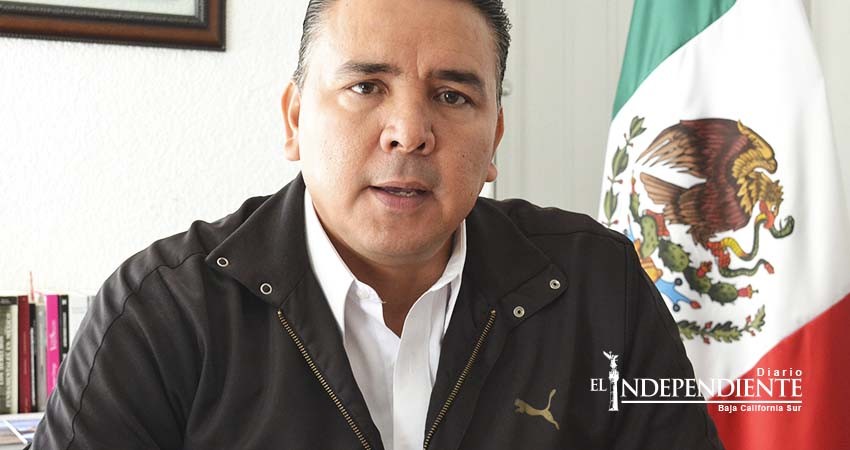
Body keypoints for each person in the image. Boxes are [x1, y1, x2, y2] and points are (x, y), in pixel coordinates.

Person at [32, 0, 724, 449]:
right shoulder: (164, 309)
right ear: (295, 120)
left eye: (452, 95)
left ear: (494, 140)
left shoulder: (597, 286)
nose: (409, 132)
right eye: (366, 87)